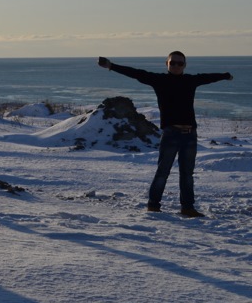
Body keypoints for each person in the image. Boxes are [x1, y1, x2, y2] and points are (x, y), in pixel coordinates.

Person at [97, 52, 233, 217]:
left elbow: (208, 77)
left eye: (180, 63)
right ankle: (153, 206)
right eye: (173, 63)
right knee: (163, 171)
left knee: (187, 174)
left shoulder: (190, 81)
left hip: (190, 134)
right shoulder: (159, 80)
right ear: (166, 64)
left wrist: (224, 76)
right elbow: (136, 73)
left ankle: (187, 208)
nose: (176, 66)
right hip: (171, 133)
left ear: (185, 65)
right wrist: (111, 66)